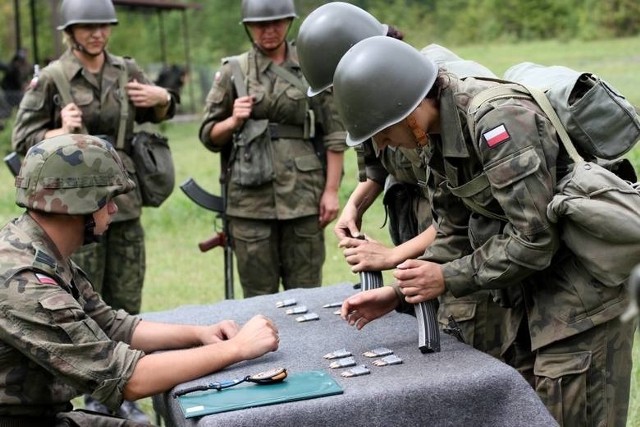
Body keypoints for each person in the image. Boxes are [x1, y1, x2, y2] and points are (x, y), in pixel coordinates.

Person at [332, 35, 635, 426]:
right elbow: (454, 228)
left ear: (408, 111)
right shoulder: (433, 137)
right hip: (527, 303)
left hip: (579, 306)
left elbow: (534, 238)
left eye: (384, 131)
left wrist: (444, 276)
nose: (382, 144)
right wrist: (400, 293)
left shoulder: (496, 120)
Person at [0, 134, 280, 426]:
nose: (114, 209)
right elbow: (127, 379)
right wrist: (237, 349)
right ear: (76, 203)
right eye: (107, 198)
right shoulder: (24, 280)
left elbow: (110, 324)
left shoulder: (35, 246)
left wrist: (200, 333)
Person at [296, 1, 511, 360]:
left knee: (466, 332)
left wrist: (393, 256)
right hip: (429, 224)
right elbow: (376, 168)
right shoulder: (373, 103)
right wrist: (353, 208)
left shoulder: (417, 100)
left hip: (464, 236)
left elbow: (462, 212)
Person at [11, 0, 177, 420]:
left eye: (103, 26)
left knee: (123, 297)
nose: (97, 34)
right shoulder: (53, 77)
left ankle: (123, 394)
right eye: (87, 27)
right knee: (75, 298)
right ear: (70, 31)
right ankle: (95, 390)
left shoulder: (126, 70)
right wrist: (57, 129)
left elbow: (158, 111)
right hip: (72, 204)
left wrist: (162, 99)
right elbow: (21, 140)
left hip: (119, 198)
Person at [198, 0, 347, 298]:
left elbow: (335, 133)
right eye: (260, 24)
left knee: (307, 293)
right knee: (258, 297)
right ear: (248, 27)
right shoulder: (233, 71)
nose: (269, 30)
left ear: (289, 23)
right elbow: (208, 134)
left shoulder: (310, 65)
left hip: (304, 195)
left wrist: (331, 191)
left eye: (277, 22)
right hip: (249, 202)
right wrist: (233, 120)